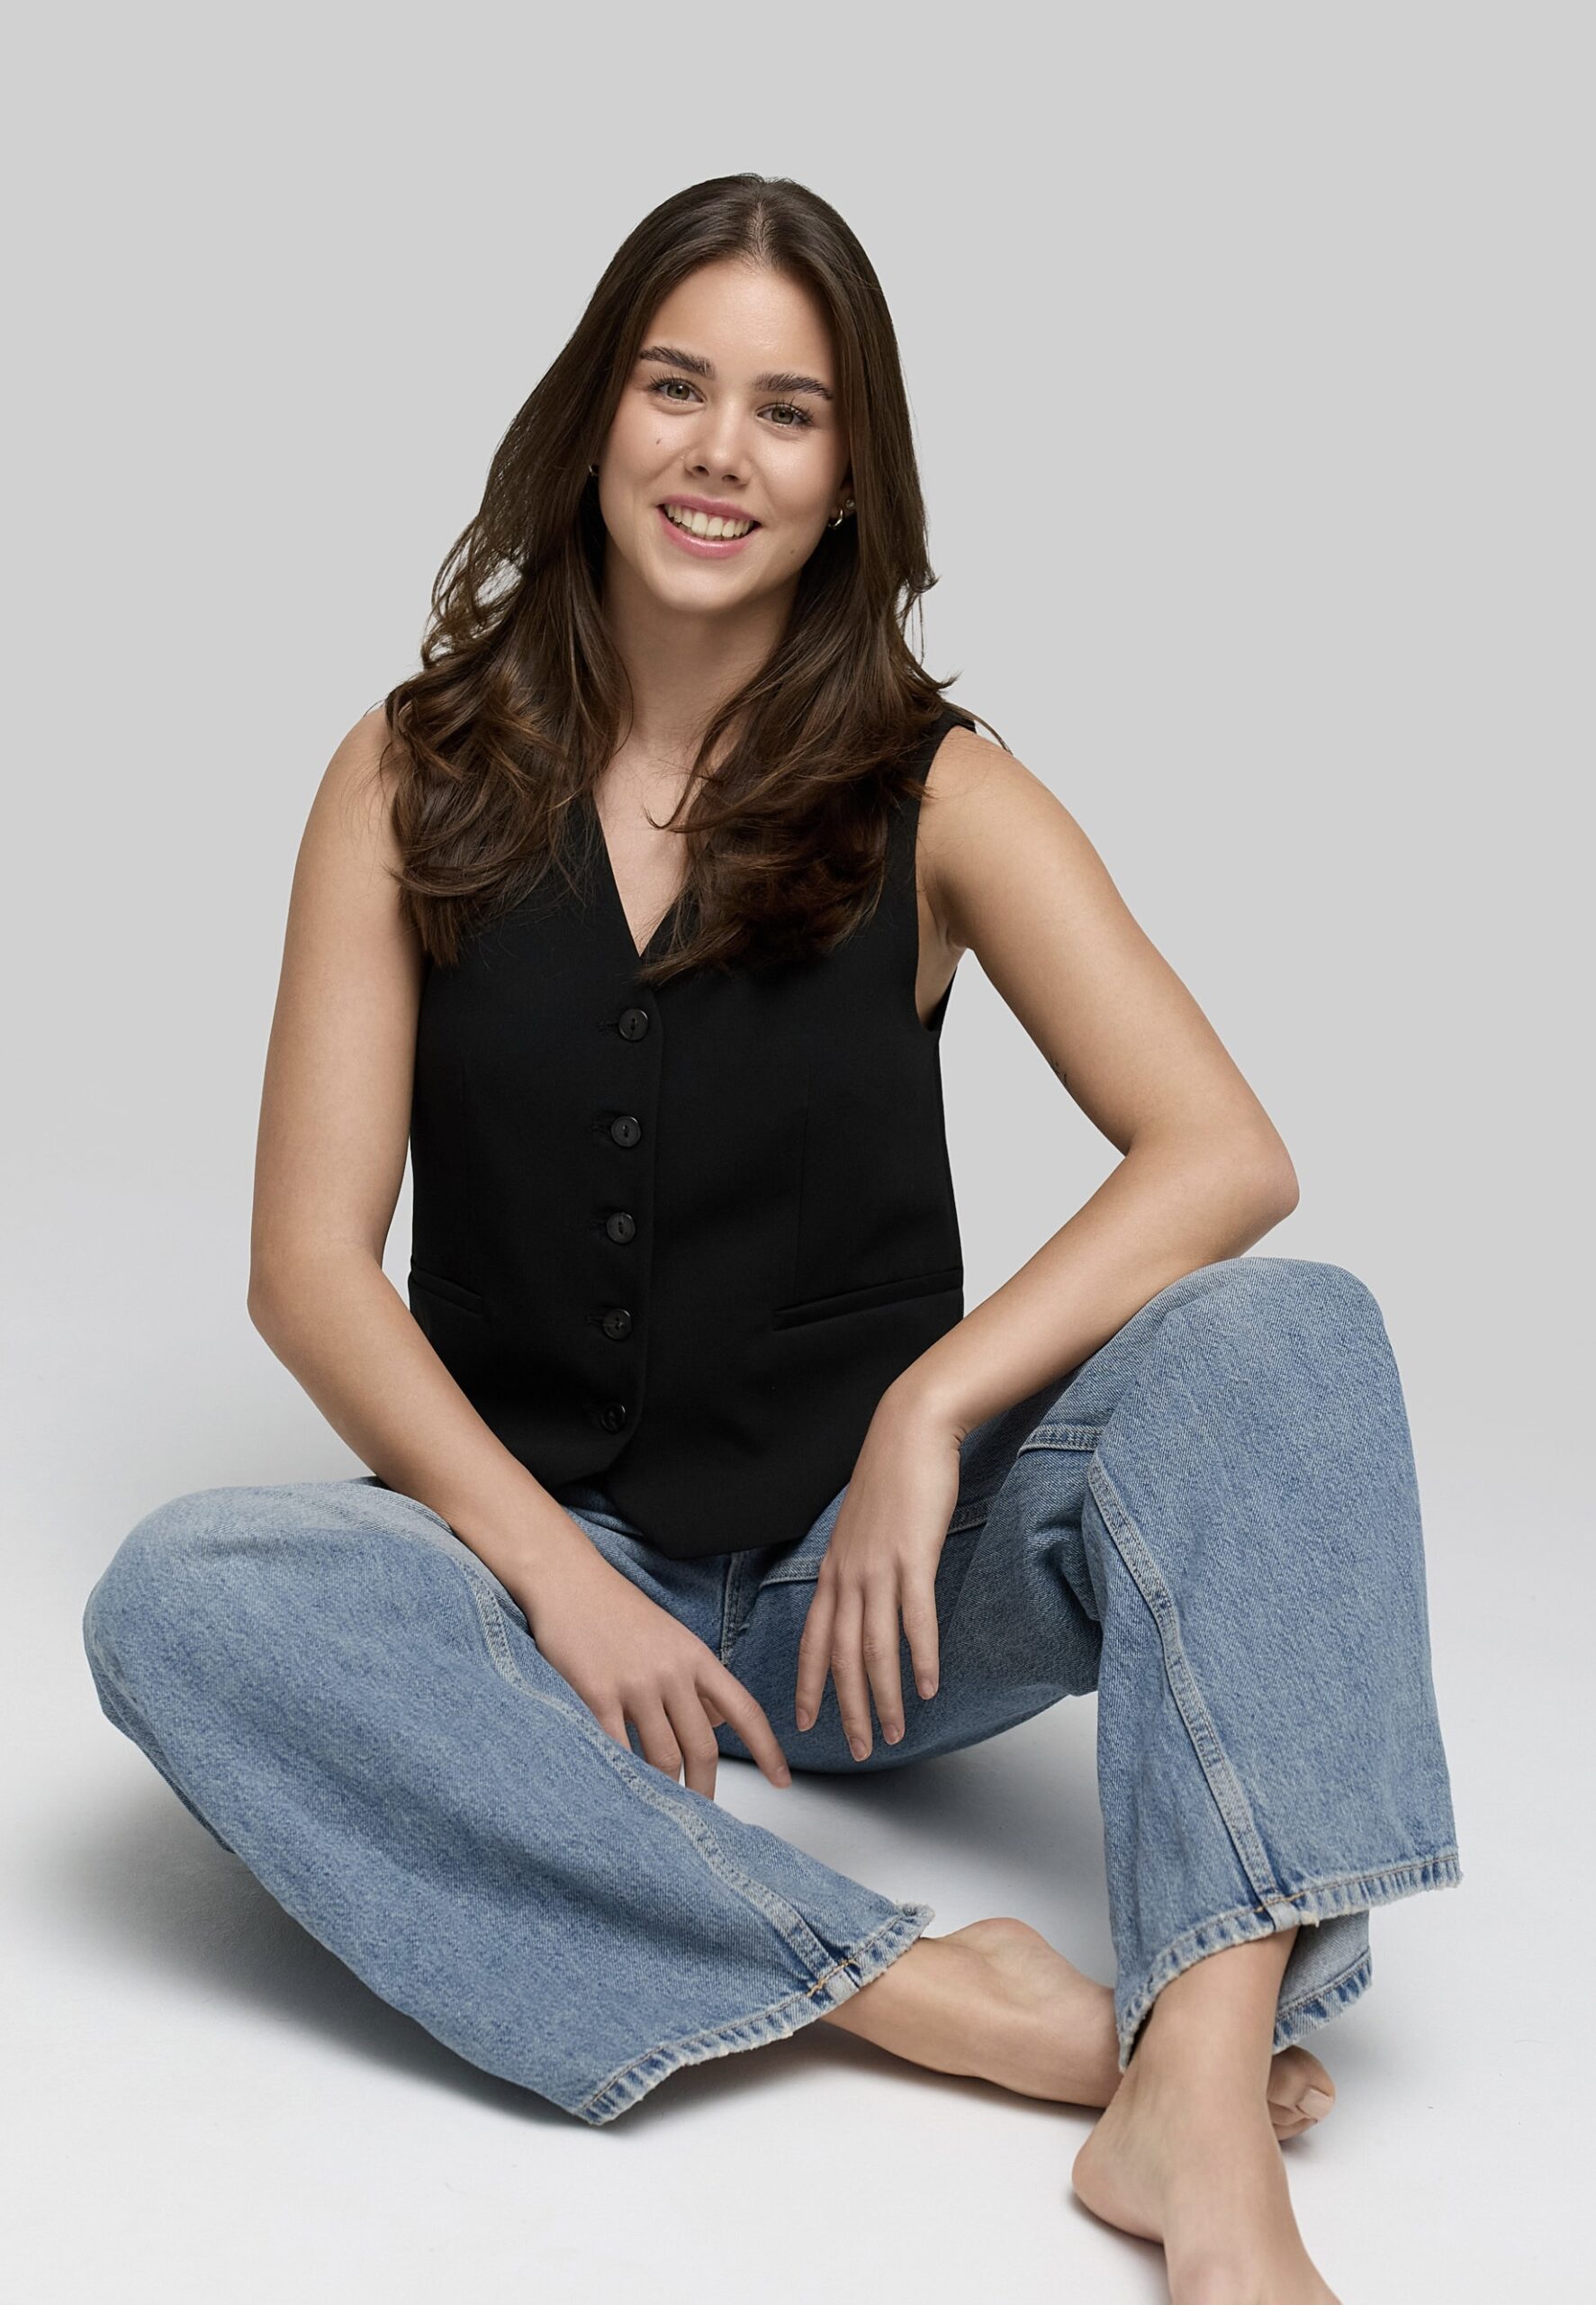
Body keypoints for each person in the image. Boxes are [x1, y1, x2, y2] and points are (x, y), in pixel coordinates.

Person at [81, 174, 1459, 2304]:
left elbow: (1217, 1146)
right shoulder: (404, 773)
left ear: (846, 481)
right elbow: (308, 1268)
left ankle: (1189, 2088)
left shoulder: (943, 790)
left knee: (1288, 1329)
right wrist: (557, 1581)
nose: (718, 451)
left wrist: (927, 1414)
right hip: (553, 1588)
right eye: (674, 387)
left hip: (873, 1598)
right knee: (182, 1597)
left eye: (786, 411)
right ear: (592, 420)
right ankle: (915, 1989)